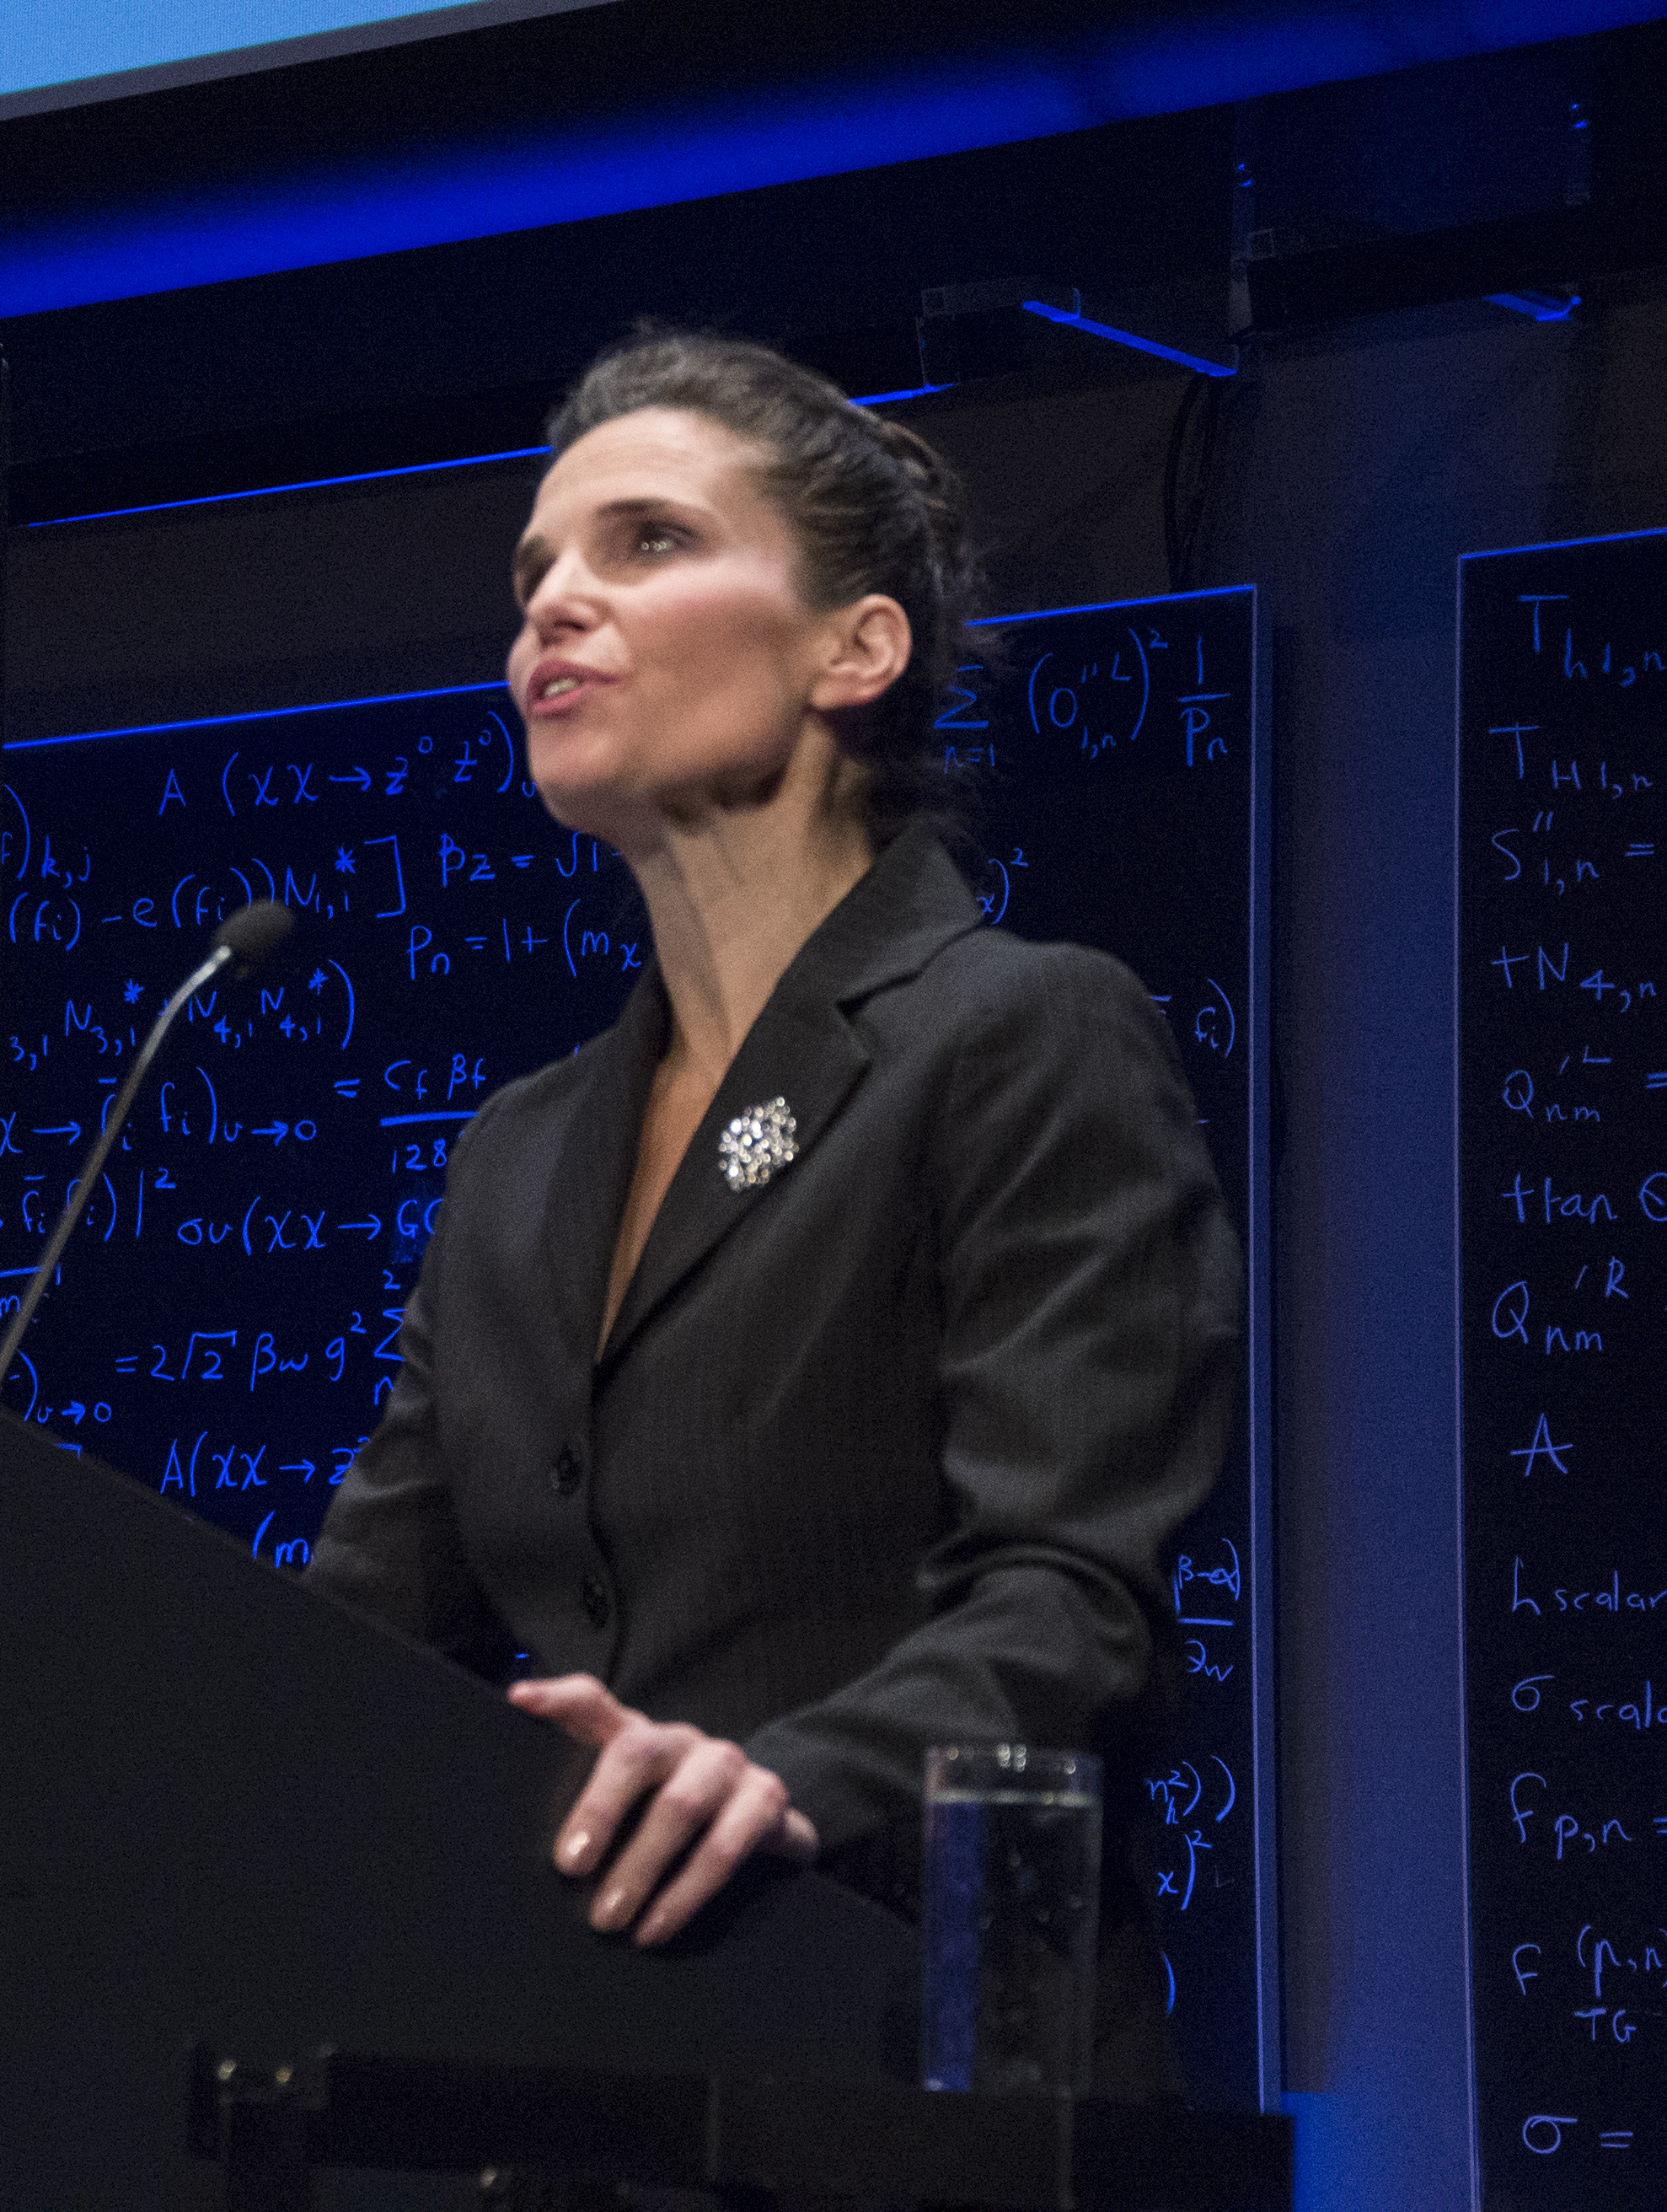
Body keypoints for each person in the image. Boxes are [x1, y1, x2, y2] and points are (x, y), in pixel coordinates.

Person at [302, 332, 1242, 2038]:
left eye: (645, 543)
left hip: (918, 2053)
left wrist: (776, 1779)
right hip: (580, 2075)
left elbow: (1068, 1596)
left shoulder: (1018, 1038)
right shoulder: (519, 1154)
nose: (552, 609)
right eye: (535, 574)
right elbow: (354, 1650)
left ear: (855, 648)